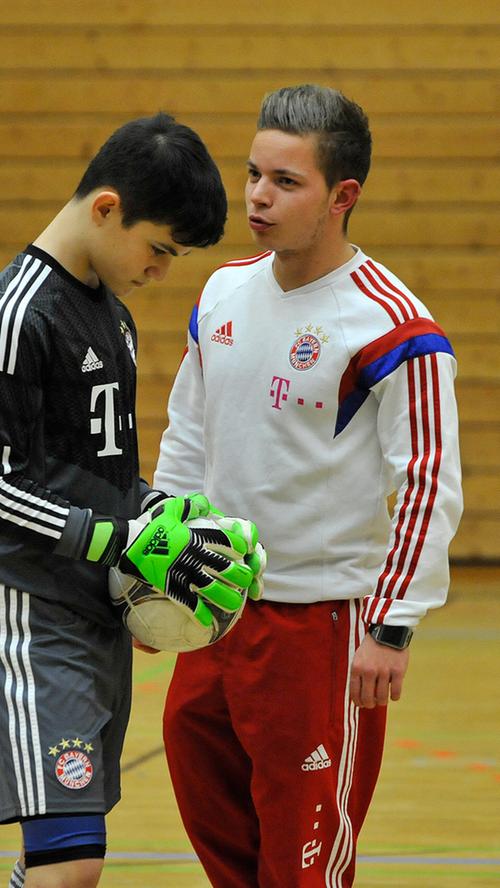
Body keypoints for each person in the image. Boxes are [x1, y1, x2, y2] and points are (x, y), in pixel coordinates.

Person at [154, 85, 463, 887]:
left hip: (320, 630)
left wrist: (390, 627)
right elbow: (188, 434)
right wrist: (157, 572)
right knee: (220, 837)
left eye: (285, 182)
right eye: (254, 173)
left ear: (341, 196)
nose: (257, 196)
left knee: (301, 864)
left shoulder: (395, 326)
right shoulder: (222, 289)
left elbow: (428, 482)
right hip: (213, 614)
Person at [0, 112, 261, 888]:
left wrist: (168, 528)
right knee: (71, 865)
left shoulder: (112, 316)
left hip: (96, 617)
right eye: (159, 251)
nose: (160, 273)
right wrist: (108, 539)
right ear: (107, 208)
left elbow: (104, 470)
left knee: (59, 860)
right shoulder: (21, 317)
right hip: (33, 610)